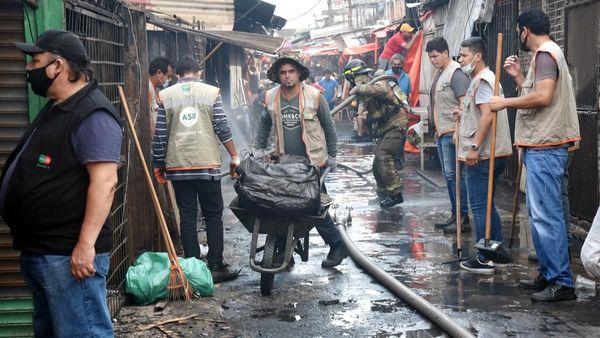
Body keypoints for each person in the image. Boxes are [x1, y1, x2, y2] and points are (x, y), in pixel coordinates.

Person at [0, 29, 122, 337]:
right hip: (44, 252)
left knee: (83, 333)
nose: (29, 68)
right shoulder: (59, 108)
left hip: (69, 256)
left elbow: (105, 182)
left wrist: (85, 246)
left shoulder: (92, 113)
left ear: (57, 65)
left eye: (34, 61)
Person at [490, 9, 580, 302]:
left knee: (547, 216)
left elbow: (543, 98)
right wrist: (518, 80)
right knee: (540, 215)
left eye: (519, 31)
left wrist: (504, 102)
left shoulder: (544, 54)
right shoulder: (547, 55)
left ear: (524, 30)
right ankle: (548, 273)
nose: (519, 36)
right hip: (542, 145)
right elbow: (536, 96)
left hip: (546, 146)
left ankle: (561, 281)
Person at [152, 55, 241, 283]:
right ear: (198, 72)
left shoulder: (166, 95)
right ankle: (215, 265)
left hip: (178, 167)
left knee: (188, 217)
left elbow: (160, 134)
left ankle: (192, 267)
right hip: (207, 166)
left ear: (178, 74)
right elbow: (221, 125)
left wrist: (158, 164)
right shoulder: (210, 92)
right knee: (213, 216)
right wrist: (233, 154)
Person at [255, 57, 348, 268]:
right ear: (278, 76)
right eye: (283, 72)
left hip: (312, 163)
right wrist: (258, 149)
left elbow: (329, 126)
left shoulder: (314, 96)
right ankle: (281, 251)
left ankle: (336, 245)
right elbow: (263, 125)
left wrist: (332, 156)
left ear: (298, 73)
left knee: (315, 207)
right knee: (280, 205)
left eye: (291, 71)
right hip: (285, 163)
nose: (287, 75)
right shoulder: (271, 97)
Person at [454, 37, 513, 274]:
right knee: (486, 204)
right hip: (494, 153)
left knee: (478, 206)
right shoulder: (481, 80)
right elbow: (481, 112)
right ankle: (496, 253)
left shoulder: (484, 80)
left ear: (477, 56)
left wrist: (475, 147)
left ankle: (484, 257)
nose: (460, 60)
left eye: (464, 55)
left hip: (484, 154)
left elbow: (488, 115)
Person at [343, 59, 409, 208]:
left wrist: (361, 88)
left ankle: (396, 194)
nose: (356, 83)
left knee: (383, 156)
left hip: (396, 124)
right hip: (385, 127)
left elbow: (383, 92)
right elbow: (371, 111)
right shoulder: (366, 89)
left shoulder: (379, 81)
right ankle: (383, 195)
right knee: (376, 164)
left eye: (356, 79)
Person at [425, 37, 471, 233]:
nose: (432, 60)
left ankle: (463, 217)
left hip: (453, 133)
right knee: (449, 176)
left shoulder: (456, 73)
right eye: (430, 57)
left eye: (435, 56)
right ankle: (456, 214)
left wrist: (459, 131)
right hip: (442, 132)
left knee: (455, 176)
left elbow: (465, 104)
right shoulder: (440, 73)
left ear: (445, 52)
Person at [148, 56, 173, 134]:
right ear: (159, 73)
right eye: (168, 76)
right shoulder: (148, 89)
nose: (170, 80)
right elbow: (149, 120)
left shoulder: (156, 89)